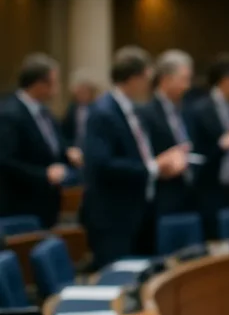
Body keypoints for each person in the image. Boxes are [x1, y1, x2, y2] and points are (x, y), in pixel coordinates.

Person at [83, 47, 188, 267]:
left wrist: (163, 160)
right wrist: (154, 167)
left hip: (139, 210)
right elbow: (102, 165)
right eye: (146, 78)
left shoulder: (131, 108)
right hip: (113, 215)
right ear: (133, 78)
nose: (149, 85)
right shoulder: (104, 111)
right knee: (118, 279)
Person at [0, 54, 74, 228]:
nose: (58, 87)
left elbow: (53, 143)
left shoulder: (45, 111)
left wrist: (67, 151)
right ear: (40, 85)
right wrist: (44, 175)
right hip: (21, 203)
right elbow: (5, 161)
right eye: (55, 82)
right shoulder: (10, 114)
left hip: (48, 203)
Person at [189, 54, 229, 238]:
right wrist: (222, 145)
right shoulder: (199, 109)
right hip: (211, 195)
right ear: (228, 81)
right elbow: (195, 155)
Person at [139, 50, 197, 219]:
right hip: (162, 198)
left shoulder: (187, 110)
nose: (187, 86)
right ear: (165, 79)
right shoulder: (145, 113)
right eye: (183, 80)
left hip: (189, 195)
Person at [61, 69, 100, 153]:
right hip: (74, 151)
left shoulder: (98, 109)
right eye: (79, 90)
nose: (81, 94)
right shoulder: (72, 109)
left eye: (84, 91)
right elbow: (66, 132)